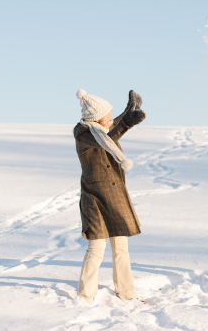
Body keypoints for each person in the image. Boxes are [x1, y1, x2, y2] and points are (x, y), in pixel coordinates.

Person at [73, 88, 146, 304]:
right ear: (96, 118)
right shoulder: (84, 133)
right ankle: (85, 296)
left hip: (114, 196)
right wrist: (127, 123)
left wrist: (130, 110)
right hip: (95, 199)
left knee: (121, 248)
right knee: (96, 248)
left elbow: (112, 127)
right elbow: (108, 138)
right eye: (108, 116)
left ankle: (127, 293)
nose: (111, 120)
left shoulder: (99, 127)